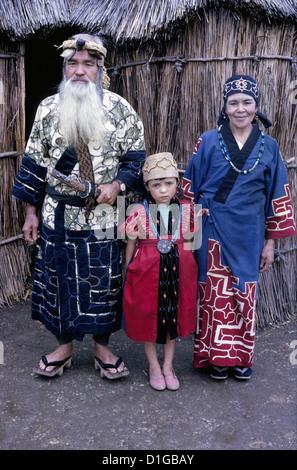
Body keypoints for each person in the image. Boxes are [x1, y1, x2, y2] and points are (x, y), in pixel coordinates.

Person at [12, 33, 146, 378]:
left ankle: (102, 347)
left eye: (88, 64)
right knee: (58, 279)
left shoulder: (121, 109)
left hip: (104, 213)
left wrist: (117, 185)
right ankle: (65, 346)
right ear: (64, 67)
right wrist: (30, 212)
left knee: (104, 278)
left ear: (100, 69)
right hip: (58, 212)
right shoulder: (47, 108)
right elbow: (34, 162)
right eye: (73, 63)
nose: (80, 71)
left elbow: (136, 159)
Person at [181, 75, 296, 380]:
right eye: (234, 103)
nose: (240, 109)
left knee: (244, 291)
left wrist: (270, 243)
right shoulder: (206, 141)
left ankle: (241, 357)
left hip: (250, 232)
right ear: (226, 106)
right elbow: (189, 188)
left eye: (247, 102)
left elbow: (278, 195)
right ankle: (216, 357)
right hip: (213, 229)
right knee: (214, 293)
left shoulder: (269, 146)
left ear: (256, 107)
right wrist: (189, 234)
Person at [119, 152, 199, 390]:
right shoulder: (139, 212)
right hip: (146, 273)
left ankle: (168, 366)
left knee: (171, 317)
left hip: (178, 272)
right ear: (147, 186)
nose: (163, 190)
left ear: (178, 183)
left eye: (169, 183)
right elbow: (130, 245)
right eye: (156, 185)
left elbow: (191, 242)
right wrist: (128, 271)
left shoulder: (187, 209)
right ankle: (154, 366)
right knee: (148, 316)